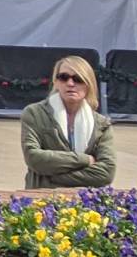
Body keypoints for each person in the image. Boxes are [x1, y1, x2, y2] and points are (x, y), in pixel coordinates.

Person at [19, 57, 116, 188]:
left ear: (89, 84)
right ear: (56, 82)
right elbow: (34, 158)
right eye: (63, 77)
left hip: (86, 202)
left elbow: (106, 173)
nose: (70, 83)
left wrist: (48, 177)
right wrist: (85, 160)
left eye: (78, 79)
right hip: (41, 201)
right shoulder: (34, 113)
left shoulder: (102, 124)